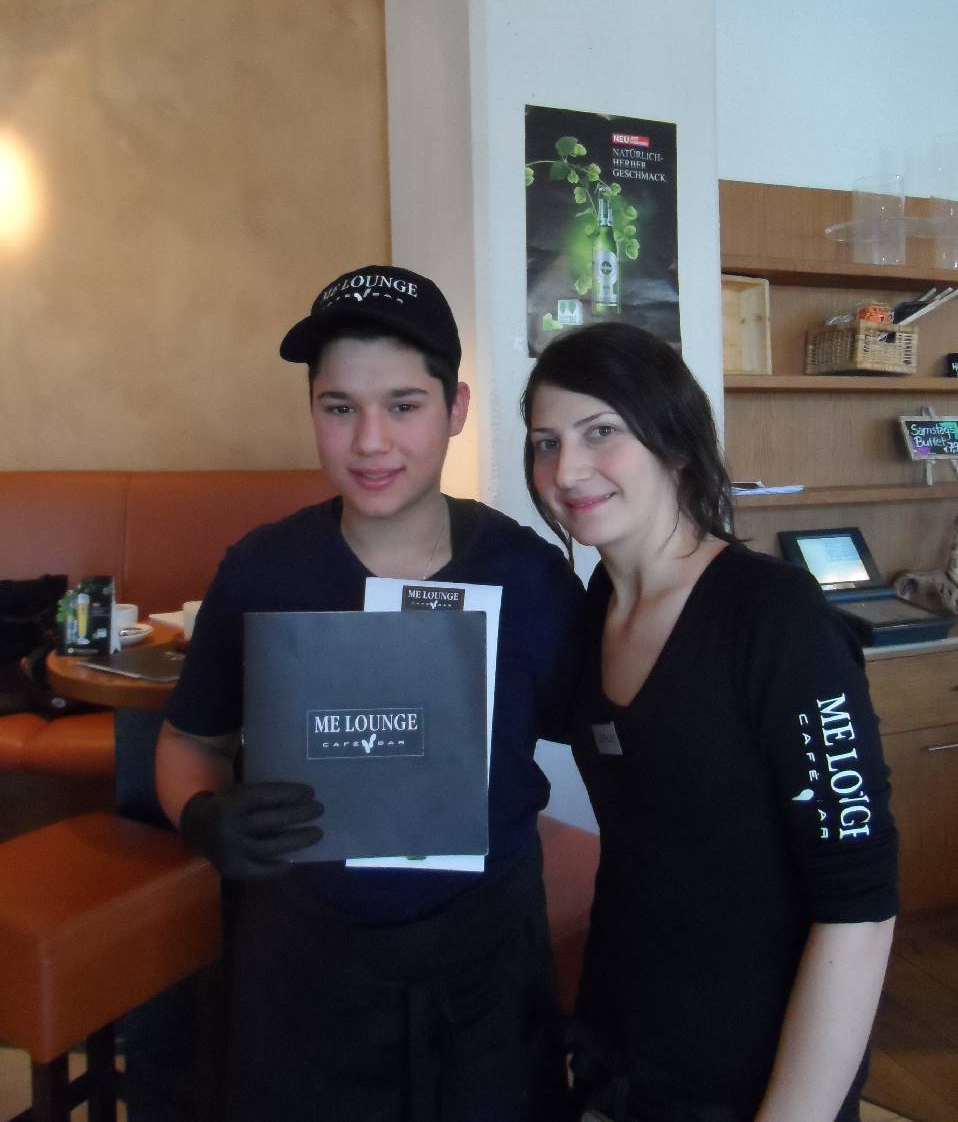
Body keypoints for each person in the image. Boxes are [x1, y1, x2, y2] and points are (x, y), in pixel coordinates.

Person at [155, 266, 585, 1122]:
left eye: (403, 404)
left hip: (487, 969)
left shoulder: (530, 575)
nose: (370, 441)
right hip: (302, 966)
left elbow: (613, 739)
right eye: (339, 407)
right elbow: (190, 740)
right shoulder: (261, 569)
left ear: (456, 408)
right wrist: (201, 815)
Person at [521, 321, 898, 1122]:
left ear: (675, 445)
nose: (566, 468)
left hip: (756, 1074)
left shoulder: (775, 618)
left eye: (600, 432)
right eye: (546, 442)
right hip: (621, 1053)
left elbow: (859, 910)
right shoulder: (594, 610)